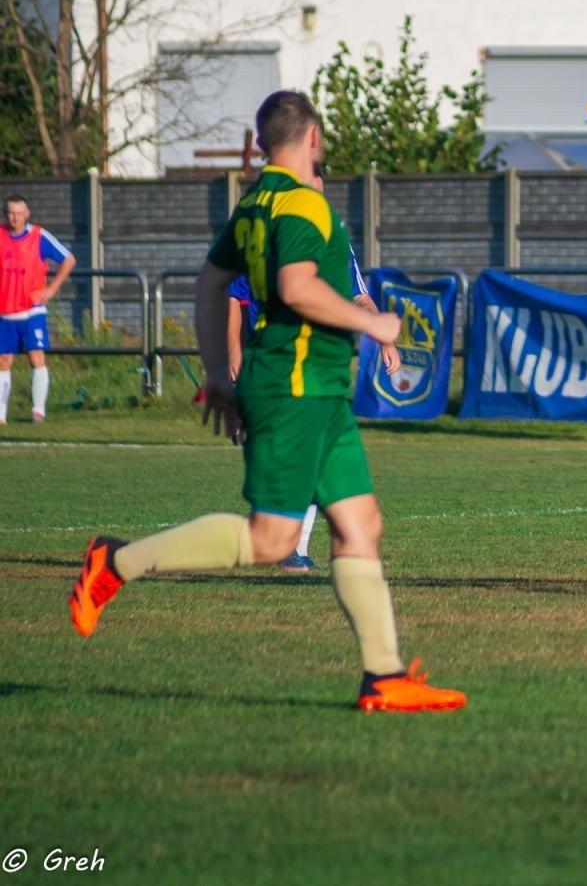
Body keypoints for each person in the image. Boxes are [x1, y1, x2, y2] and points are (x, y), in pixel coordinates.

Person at [68, 89, 466, 711]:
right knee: (273, 539)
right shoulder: (304, 203)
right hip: (295, 386)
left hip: (318, 389)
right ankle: (114, 562)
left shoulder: (255, 204)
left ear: (263, 143)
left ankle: (384, 677)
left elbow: (209, 282)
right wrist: (375, 324)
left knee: (360, 525)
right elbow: (296, 287)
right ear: (312, 138)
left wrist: (218, 375)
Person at [226, 163, 400, 573]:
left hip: (319, 371)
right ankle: (123, 560)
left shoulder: (332, 233)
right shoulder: (268, 227)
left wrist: (384, 336)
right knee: (306, 501)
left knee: (357, 518)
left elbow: (359, 295)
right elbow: (231, 294)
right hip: (282, 367)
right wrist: (232, 357)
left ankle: (298, 551)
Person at [0, 195, 76, 423]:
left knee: (36, 356)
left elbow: (68, 259)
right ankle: (1, 414)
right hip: (5, 310)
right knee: (4, 360)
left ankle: (38, 411)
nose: (15, 217)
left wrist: (51, 289)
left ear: (27, 214)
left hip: (32, 309)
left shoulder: (38, 236)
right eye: (10, 213)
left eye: (19, 213)